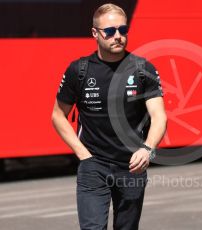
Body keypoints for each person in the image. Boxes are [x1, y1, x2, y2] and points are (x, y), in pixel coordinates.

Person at [51, 3, 167, 230]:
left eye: (123, 31)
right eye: (110, 31)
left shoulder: (143, 69)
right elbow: (57, 116)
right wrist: (83, 155)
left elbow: (159, 116)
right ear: (95, 33)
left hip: (132, 166)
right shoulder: (79, 70)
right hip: (93, 165)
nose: (118, 37)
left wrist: (148, 148)